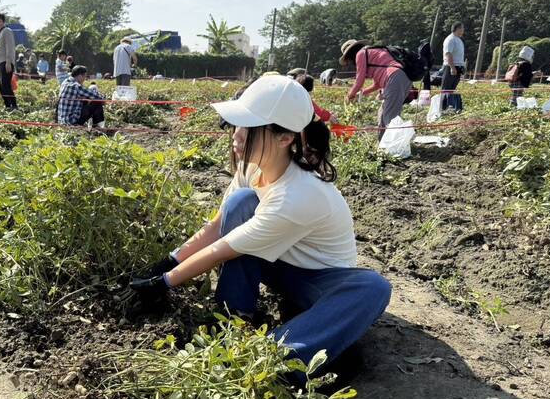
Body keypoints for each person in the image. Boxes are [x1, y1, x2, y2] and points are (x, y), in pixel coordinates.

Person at [129, 75, 391, 369]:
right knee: (239, 203)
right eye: (238, 124)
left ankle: (278, 356)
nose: (237, 136)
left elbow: (223, 249)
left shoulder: (298, 194)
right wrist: (170, 260)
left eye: (249, 127)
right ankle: (234, 319)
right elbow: (218, 226)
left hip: (318, 282)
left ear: (285, 138)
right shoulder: (253, 167)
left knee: (372, 287)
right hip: (279, 264)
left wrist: (165, 282)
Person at [340, 39, 411, 140]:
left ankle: (395, 147)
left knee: (390, 118)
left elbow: (359, 81)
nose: (350, 62)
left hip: (394, 79)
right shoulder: (372, 53)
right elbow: (377, 84)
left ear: (350, 54)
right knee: (383, 114)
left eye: (348, 59)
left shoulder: (361, 54)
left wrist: (349, 95)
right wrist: (360, 94)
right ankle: (383, 143)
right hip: (402, 78)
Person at [0, 12, 17, 109]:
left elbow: (10, 47)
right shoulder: (0, 34)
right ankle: (7, 106)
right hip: (0, 63)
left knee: (6, 85)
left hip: (5, 62)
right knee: (1, 86)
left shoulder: (7, 31)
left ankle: (14, 105)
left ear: (1, 21)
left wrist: (8, 62)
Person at [441, 22, 466, 112]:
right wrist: (452, 67)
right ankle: (443, 108)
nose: (463, 30)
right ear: (457, 28)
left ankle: (450, 107)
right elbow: (448, 54)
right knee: (446, 88)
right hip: (450, 67)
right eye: (462, 28)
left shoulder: (459, 40)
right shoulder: (450, 39)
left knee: (452, 88)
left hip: (458, 67)